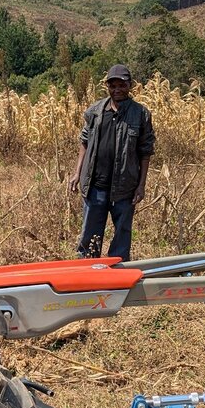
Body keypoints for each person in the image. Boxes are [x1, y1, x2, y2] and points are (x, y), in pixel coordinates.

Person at [67, 64, 155, 261]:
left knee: (122, 237)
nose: (117, 90)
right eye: (113, 85)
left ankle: (117, 277)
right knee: (90, 238)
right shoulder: (95, 112)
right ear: (107, 86)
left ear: (130, 85)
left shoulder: (140, 114)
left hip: (125, 188)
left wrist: (141, 186)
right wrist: (76, 173)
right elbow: (85, 142)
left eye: (121, 85)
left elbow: (145, 152)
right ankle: (88, 275)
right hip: (95, 186)